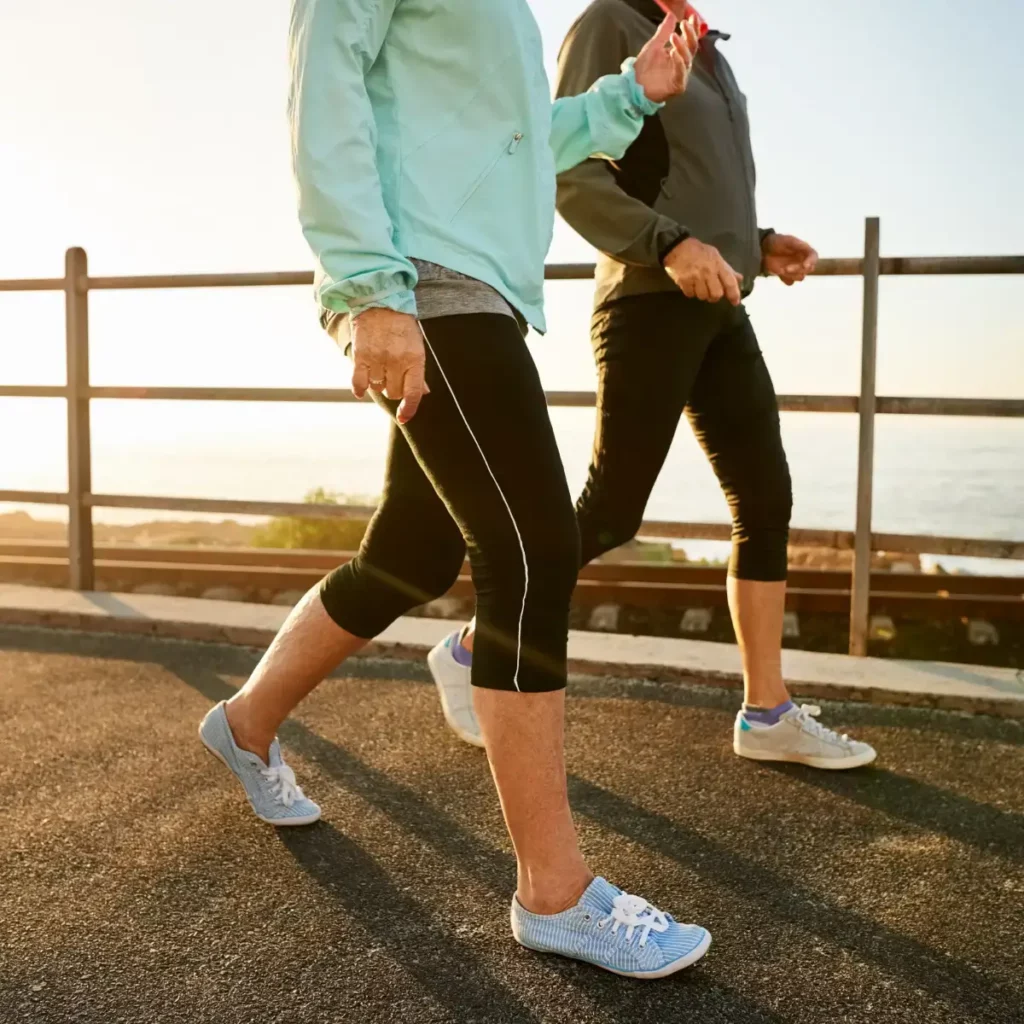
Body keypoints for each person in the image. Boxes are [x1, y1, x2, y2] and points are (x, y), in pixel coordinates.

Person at [199, 0, 713, 980]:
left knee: (413, 552)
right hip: (422, 277)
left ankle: (246, 723)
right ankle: (555, 894)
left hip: (477, 284)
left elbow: (515, 137)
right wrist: (368, 288)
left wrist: (627, 97)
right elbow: (325, 94)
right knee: (532, 550)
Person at [428, 0, 877, 772]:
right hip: (646, 300)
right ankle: (473, 647)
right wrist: (667, 245)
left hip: (720, 301)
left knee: (765, 500)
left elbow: (686, 177)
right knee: (611, 511)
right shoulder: (610, 22)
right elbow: (561, 166)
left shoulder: (707, 47)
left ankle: (767, 713)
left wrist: (755, 243)